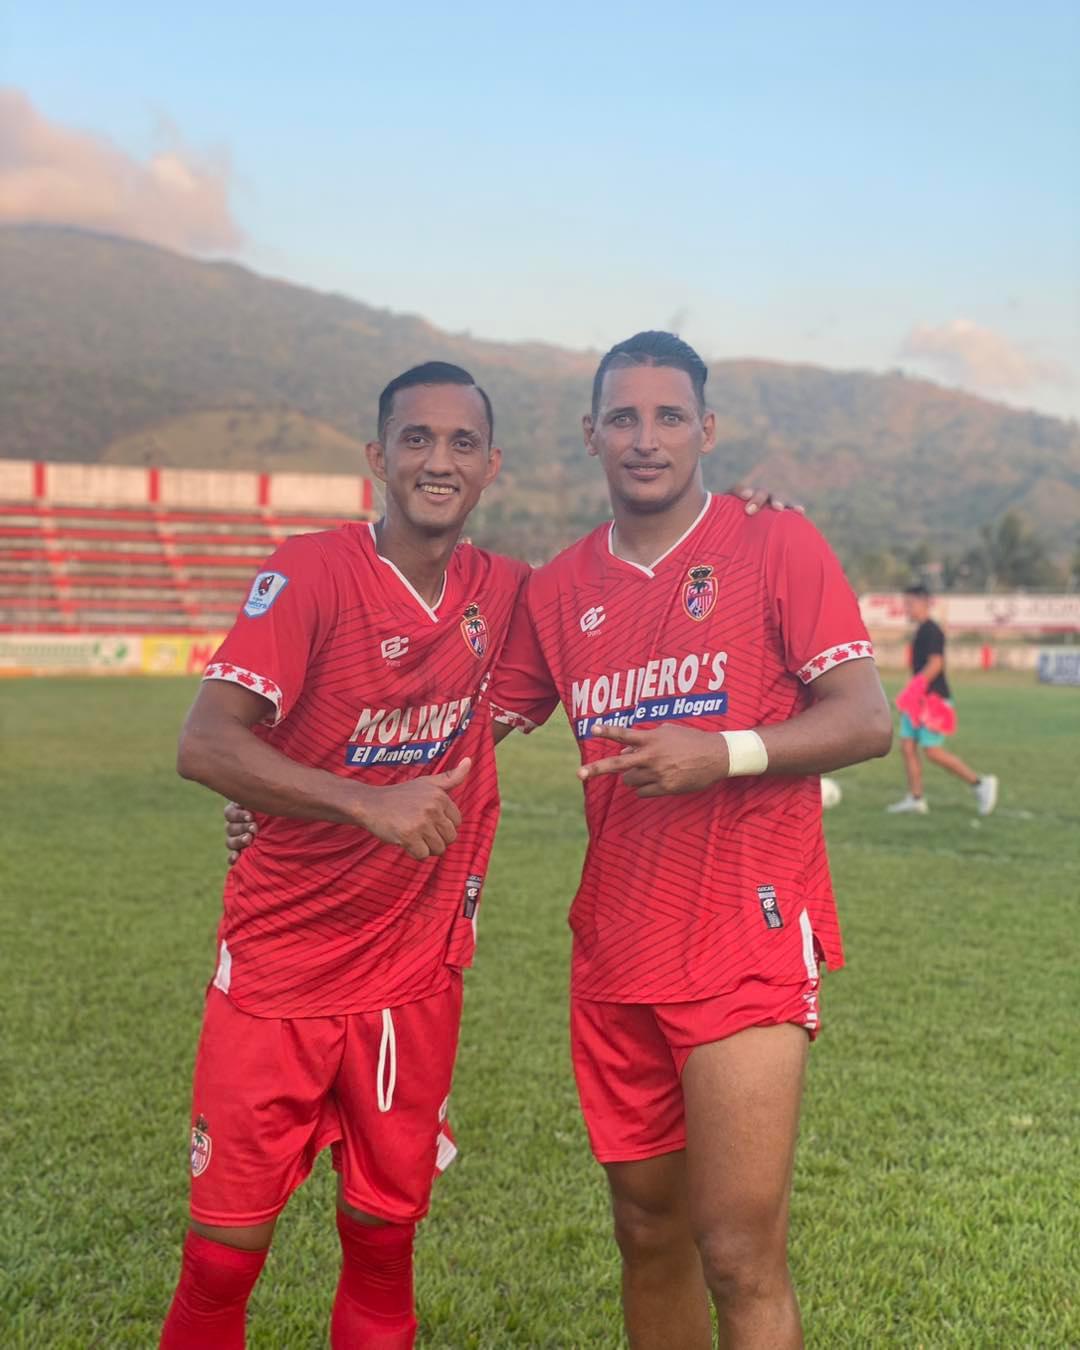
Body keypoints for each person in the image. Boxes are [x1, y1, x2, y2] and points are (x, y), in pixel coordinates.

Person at [487, 332, 893, 1350]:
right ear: (590, 435)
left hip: (744, 938)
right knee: (646, 1230)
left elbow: (865, 719)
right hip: (617, 949)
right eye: (623, 417)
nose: (646, 438)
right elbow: (463, 726)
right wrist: (311, 790)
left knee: (738, 1248)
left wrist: (728, 750)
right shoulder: (558, 588)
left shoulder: (774, 544)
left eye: (670, 416)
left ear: (706, 430)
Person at [160, 361, 529, 1349]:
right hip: (278, 973)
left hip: (410, 983)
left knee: (381, 1242)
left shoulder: (505, 594)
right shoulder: (313, 571)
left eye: (460, 443)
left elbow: (611, 625)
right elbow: (206, 742)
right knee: (222, 1259)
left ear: (491, 465)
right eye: (416, 439)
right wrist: (360, 803)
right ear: (378, 457)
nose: (437, 460)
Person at [885, 584, 998, 816]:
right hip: (919, 700)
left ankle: (980, 783)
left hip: (933, 700)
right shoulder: (920, 630)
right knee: (907, 746)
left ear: (924, 602)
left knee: (932, 751)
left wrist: (912, 690)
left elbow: (935, 664)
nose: (906, 608)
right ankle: (916, 799)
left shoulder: (932, 630)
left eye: (910, 604)